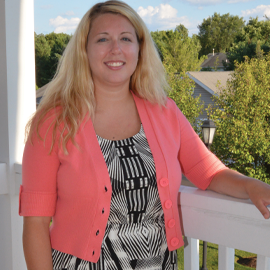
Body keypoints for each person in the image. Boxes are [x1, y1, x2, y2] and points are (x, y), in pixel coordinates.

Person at [19, 1, 270, 270]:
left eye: (126, 38)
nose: (115, 49)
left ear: (140, 49)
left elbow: (208, 171)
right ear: (84, 50)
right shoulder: (55, 123)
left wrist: (252, 186)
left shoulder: (164, 112)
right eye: (103, 39)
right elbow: (35, 223)